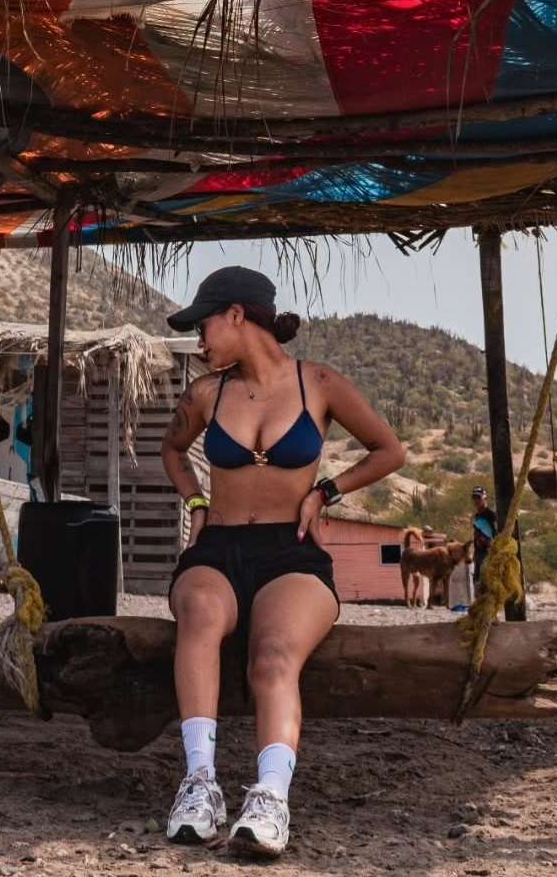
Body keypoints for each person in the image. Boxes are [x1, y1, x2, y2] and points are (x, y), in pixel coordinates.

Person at [159, 266, 405, 857]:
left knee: (272, 658)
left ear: (237, 316)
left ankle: (269, 799)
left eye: (204, 325)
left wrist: (326, 491)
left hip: (292, 556)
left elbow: (389, 450)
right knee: (198, 618)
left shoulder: (318, 382)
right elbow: (170, 449)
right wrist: (195, 500)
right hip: (217, 548)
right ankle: (199, 786)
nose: (200, 340)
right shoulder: (204, 393)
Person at [471, 486, 497, 581]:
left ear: (485, 498)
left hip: (488, 553)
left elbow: (495, 534)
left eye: (479, 497)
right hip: (479, 553)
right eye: (474, 498)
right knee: (477, 581)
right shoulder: (478, 515)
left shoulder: (490, 515)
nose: (476, 500)